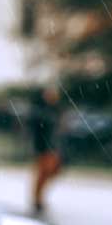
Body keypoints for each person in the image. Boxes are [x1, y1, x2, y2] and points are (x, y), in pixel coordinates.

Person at [29, 83, 65, 215]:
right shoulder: (41, 111)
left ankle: (38, 198)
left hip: (53, 147)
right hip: (44, 147)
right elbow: (38, 130)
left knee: (51, 171)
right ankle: (37, 199)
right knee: (43, 173)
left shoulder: (55, 110)